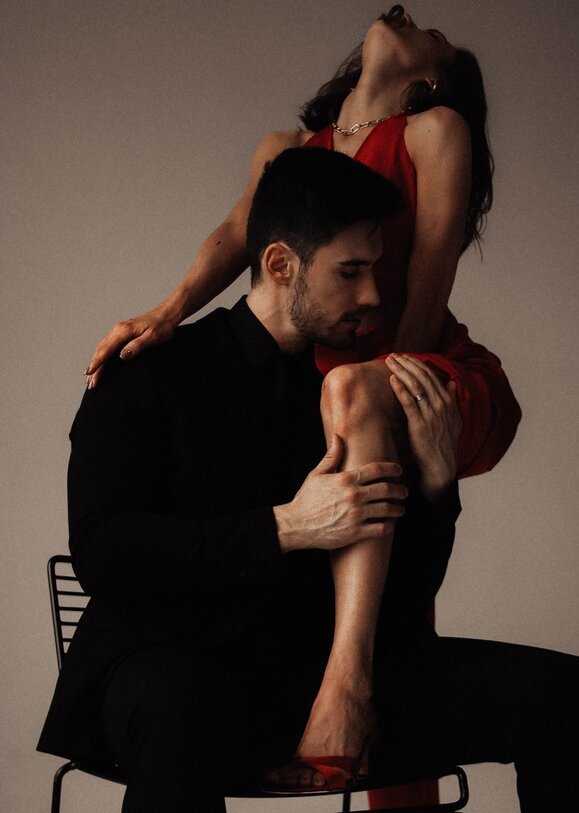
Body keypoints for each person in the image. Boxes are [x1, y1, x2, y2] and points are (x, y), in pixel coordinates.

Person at [38, 148, 579, 813]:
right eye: (350, 272)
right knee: (182, 706)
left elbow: (404, 599)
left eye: (376, 268)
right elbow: (104, 551)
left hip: (318, 681)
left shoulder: (356, 393)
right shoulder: (148, 372)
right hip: (172, 662)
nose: (373, 295)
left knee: (565, 691)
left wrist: (436, 486)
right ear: (280, 265)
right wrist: (287, 526)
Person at [80, 8, 522, 796]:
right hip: (343, 386)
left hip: (421, 367)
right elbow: (237, 232)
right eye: (350, 271)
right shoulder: (287, 150)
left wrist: (385, 400)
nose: (411, 15)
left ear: (432, 77)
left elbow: (425, 290)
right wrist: (165, 312)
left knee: (353, 395)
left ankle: (347, 690)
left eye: (436, 35)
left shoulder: (436, 129)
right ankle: (361, 711)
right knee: (368, 570)